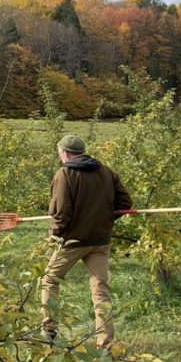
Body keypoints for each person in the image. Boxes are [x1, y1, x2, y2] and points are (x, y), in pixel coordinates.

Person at [41, 134, 132, 350]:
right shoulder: (106, 172)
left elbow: (61, 212)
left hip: (73, 241)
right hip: (100, 241)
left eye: (60, 153)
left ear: (65, 153)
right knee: (100, 289)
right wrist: (103, 218)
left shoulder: (65, 173)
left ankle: (48, 330)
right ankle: (105, 343)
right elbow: (125, 203)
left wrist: (54, 234)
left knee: (49, 280)